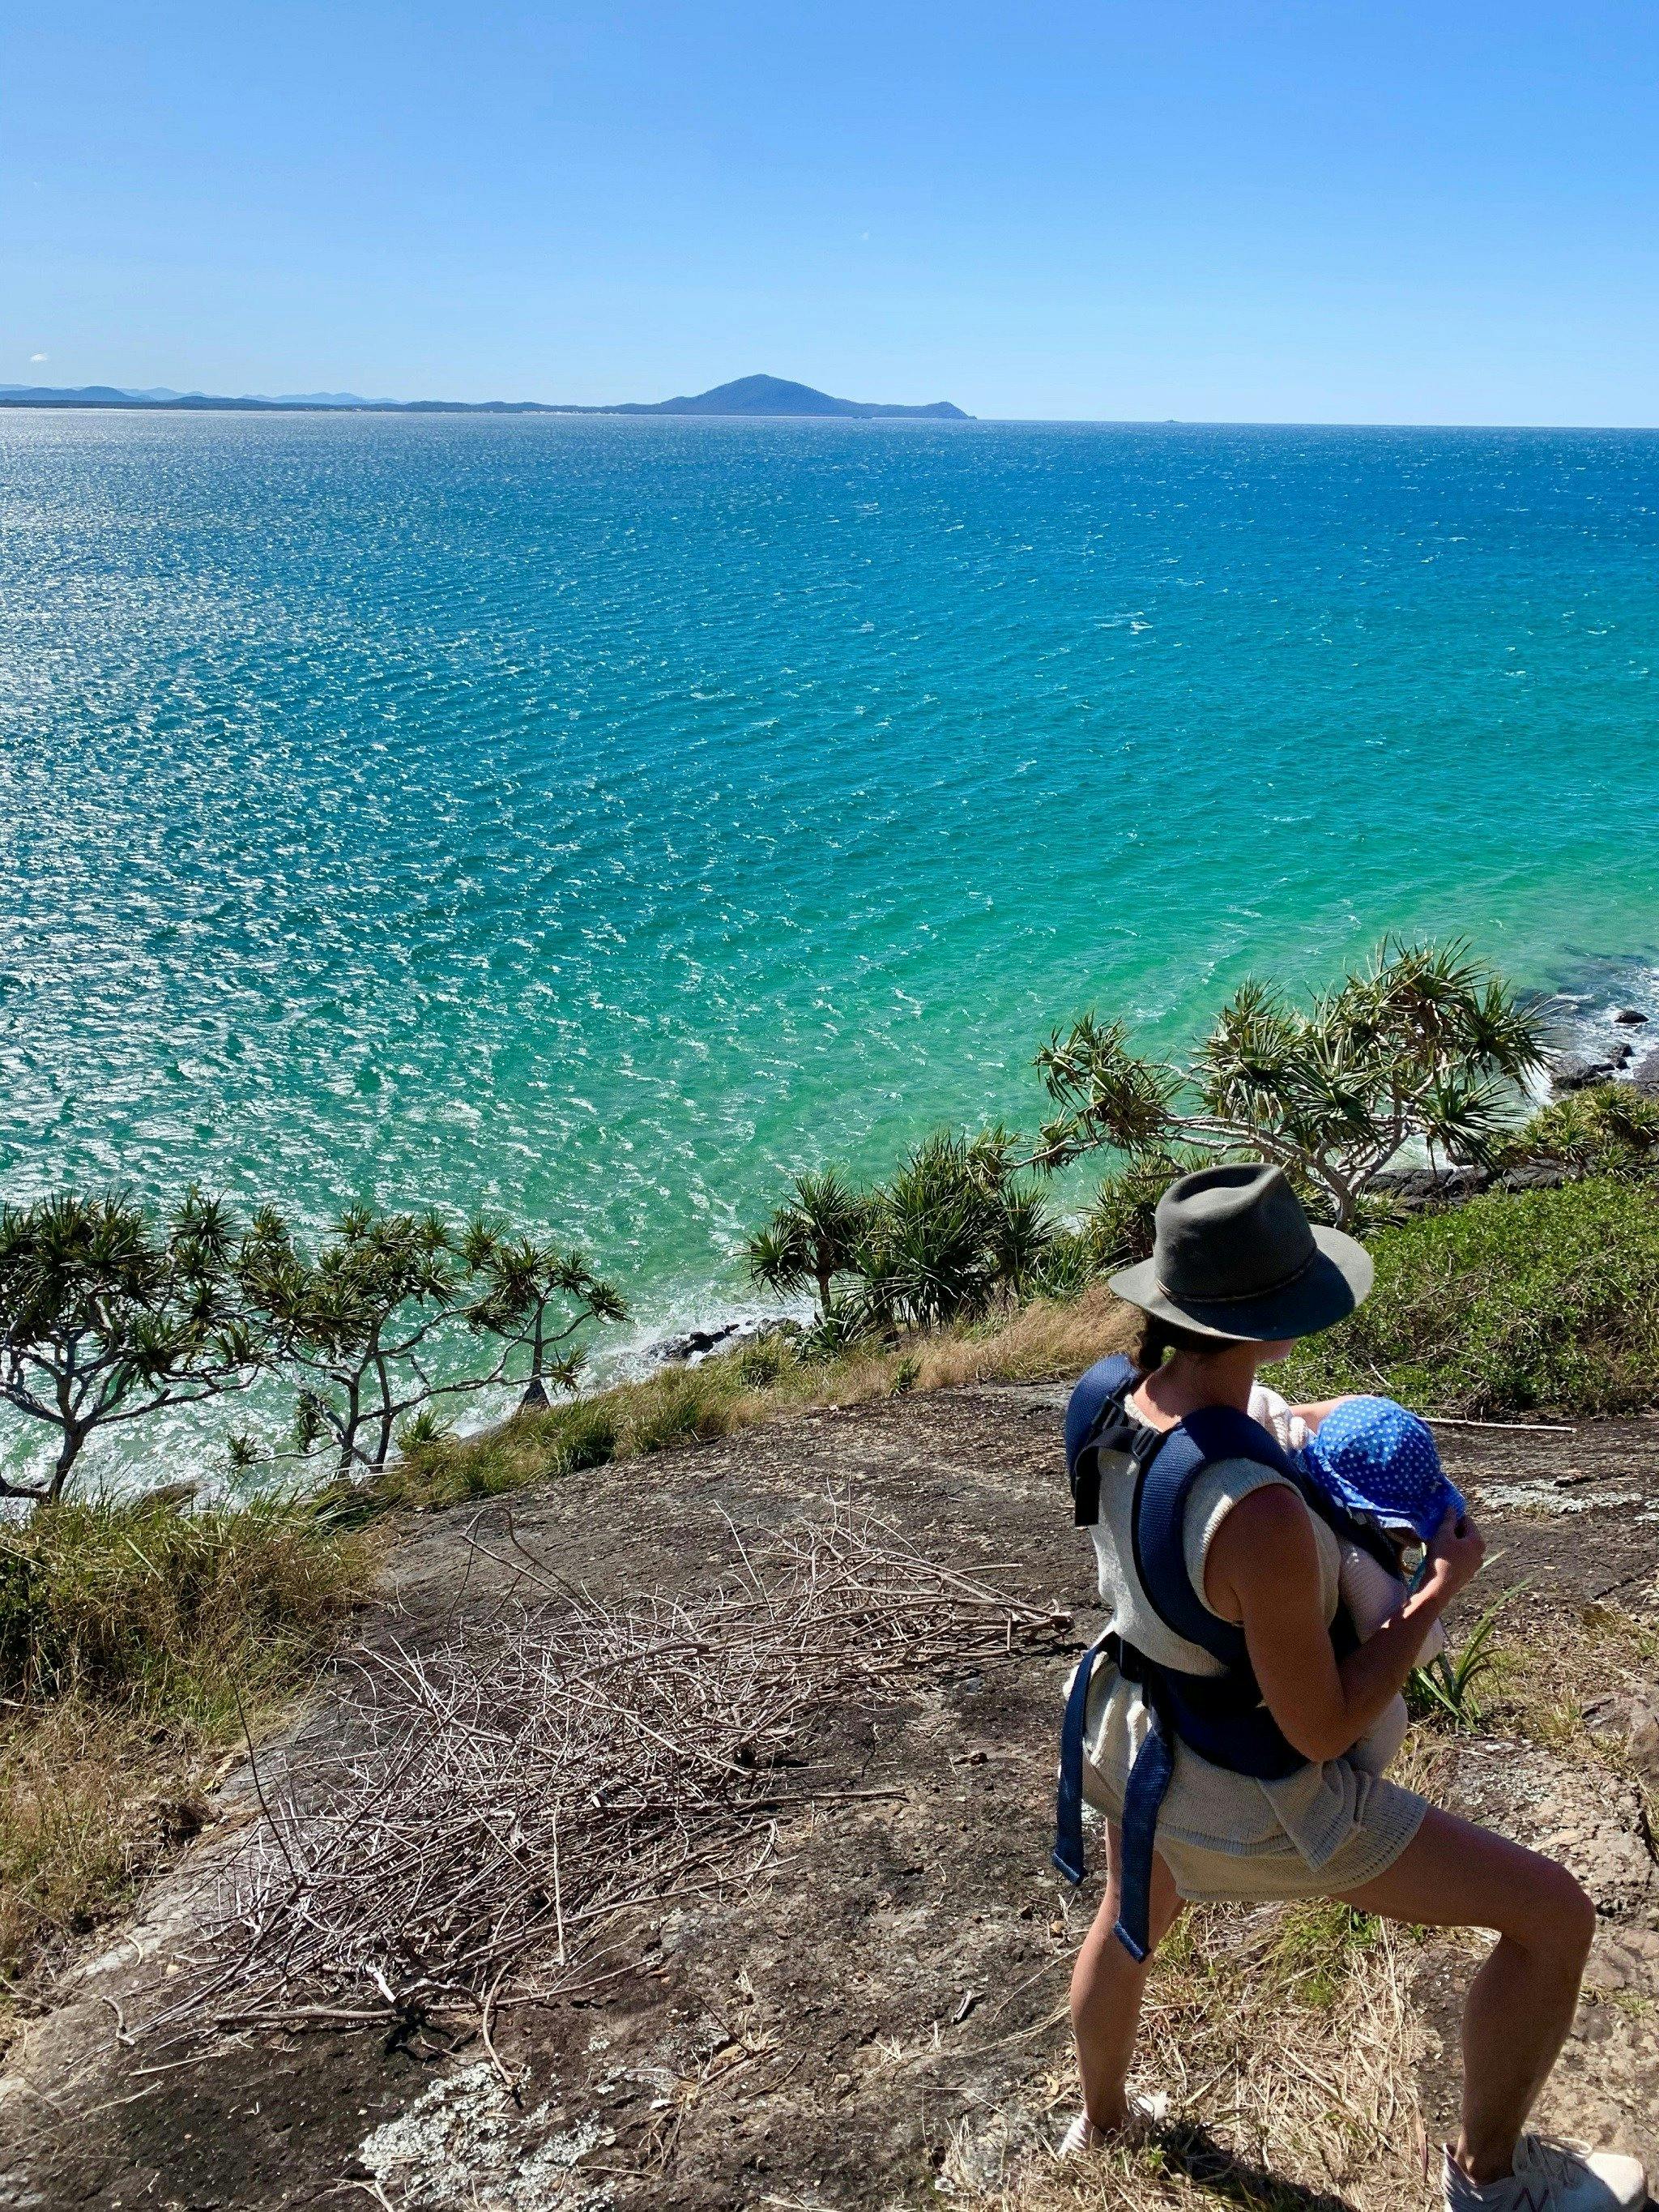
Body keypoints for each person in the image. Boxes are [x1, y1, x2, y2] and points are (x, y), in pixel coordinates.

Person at [1058, 1162, 1647, 2212]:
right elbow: (1324, 1724)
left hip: (1138, 1743)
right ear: (1278, 1321)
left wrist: (1338, 1423)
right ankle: (1491, 2182)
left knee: (1129, 1912)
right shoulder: (1263, 1517)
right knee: (1553, 1915)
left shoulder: (1109, 1397)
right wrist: (1440, 1586)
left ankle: (1098, 2122)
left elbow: (1223, 1439)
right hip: (1261, 1798)